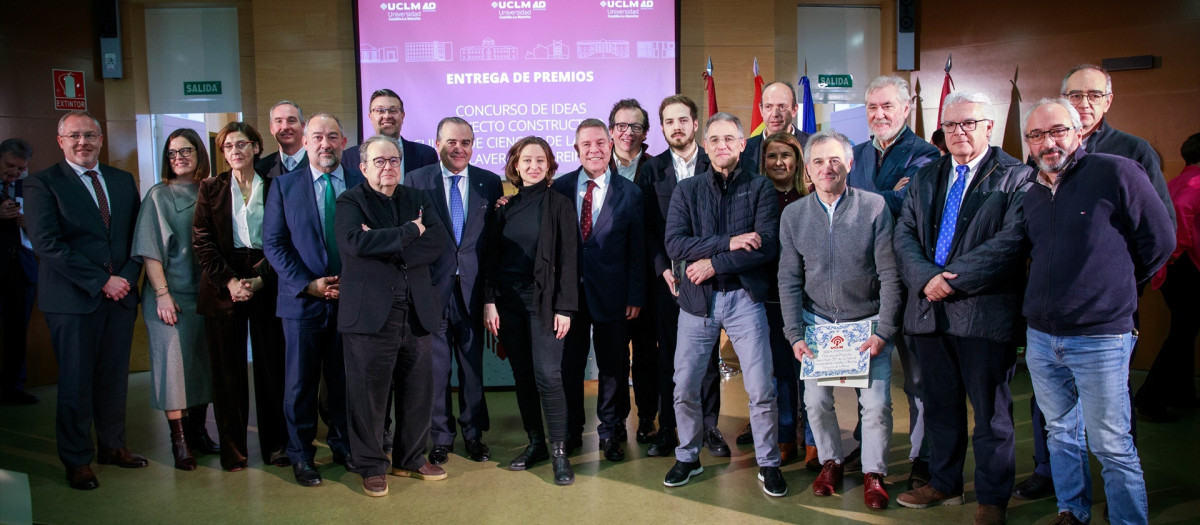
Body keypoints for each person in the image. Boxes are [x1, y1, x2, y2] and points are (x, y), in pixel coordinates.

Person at [1015, 64, 1178, 500]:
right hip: (1044, 336)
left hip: (1102, 333)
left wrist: (1115, 284)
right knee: (1061, 433)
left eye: (1058, 132)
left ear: (1077, 132)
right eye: (1036, 136)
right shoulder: (1031, 190)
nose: (1048, 142)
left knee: (1111, 441)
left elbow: (1160, 239)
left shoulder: (1122, 165)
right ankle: (1072, 509)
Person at [892, 92, 1032, 525]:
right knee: (939, 407)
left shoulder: (1016, 178)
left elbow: (1009, 245)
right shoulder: (926, 176)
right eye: (951, 125)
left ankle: (992, 497)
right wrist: (925, 280)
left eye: (969, 123)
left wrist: (947, 281)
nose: (959, 132)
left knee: (991, 415)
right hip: (929, 315)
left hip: (983, 316)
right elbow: (905, 235)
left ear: (989, 126)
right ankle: (944, 482)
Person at [663, 112, 786, 497]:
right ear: (706, 143)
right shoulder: (687, 190)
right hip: (697, 301)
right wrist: (729, 242)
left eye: (729, 139)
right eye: (714, 139)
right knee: (685, 385)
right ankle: (688, 456)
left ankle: (769, 462)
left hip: (744, 298)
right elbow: (675, 245)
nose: (721, 146)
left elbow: (765, 245)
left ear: (742, 144)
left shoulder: (762, 188)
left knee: (762, 386)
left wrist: (714, 262)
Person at [24, 110, 147, 490]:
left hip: (120, 298)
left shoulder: (122, 180)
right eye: (74, 135)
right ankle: (77, 459)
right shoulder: (42, 184)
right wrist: (101, 282)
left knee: (113, 380)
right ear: (61, 141)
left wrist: (125, 278)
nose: (83, 142)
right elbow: (47, 245)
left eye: (90, 135)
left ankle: (113, 446)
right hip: (73, 301)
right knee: (76, 383)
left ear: (101, 139)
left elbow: (137, 238)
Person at [779, 130, 901, 509]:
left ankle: (873, 473)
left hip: (867, 325)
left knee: (877, 405)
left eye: (835, 160)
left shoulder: (875, 207)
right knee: (815, 402)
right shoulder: (793, 215)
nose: (826, 168)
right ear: (808, 171)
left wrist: (884, 331)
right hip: (818, 327)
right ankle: (830, 462)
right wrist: (795, 334)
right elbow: (788, 278)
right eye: (817, 161)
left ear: (850, 164)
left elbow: (890, 275)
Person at [336, 135, 449, 497]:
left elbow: (438, 242)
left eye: (394, 160)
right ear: (363, 166)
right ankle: (371, 465)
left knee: (418, 391)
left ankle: (411, 458)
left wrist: (389, 244)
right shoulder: (350, 200)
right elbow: (355, 244)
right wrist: (408, 232)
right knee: (368, 396)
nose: (389, 167)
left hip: (415, 311)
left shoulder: (417, 198)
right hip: (370, 316)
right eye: (380, 161)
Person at [845, 75, 942, 488]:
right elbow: (847, 201)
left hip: (910, 279)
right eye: (872, 107)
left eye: (887, 106)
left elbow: (907, 202)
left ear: (906, 108)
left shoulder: (927, 155)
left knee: (918, 377)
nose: (879, 114)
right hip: (865, 281)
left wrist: (864, 199)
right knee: (861, 373)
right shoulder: (856, 153)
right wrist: (889, 195)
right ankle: (866, 445)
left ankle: (923, 456)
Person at [264, 113, 364, 487]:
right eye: (318, 137)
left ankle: (343, 445)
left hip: (351, 302)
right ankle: (302, 455)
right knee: (300, 384)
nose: (326, 144)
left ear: (343, 142)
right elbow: (274, 243)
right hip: (302, 302)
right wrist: (309, 284)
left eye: (333, 137)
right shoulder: (283, 186)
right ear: (305, 142)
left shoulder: (360, 182)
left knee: (344, 381)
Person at [192, 121, 290, 471]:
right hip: (223, 282)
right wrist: (231, 282)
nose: (235, 150)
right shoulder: (210, 187)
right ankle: (233, 451)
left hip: (268, 276)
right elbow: (202, 242)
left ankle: (277, 447)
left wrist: (260, 280)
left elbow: (284, 238)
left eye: (242, 144)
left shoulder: (276, 186)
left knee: (271, 369)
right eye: (228, 146)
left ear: (256, 148)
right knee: (227, 373)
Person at [481, 136, 578, 485]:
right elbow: (491, 258)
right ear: (516, 166)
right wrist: (489, 301)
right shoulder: (503, 207)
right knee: (522, 376)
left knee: (548, 376)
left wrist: (565, 307)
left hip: (546, 303)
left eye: (540, 160)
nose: (533, 166)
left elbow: (569, 259)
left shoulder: (560, 204)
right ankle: (535, 442)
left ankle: (559, 452)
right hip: (507, 304)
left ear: (550, 165)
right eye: (526, 160)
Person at [406, 117, 501, 465]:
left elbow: (491, 245)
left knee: (473, 368)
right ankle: (441, 437)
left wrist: (491, 297)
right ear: (437, 144)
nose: (459, 148)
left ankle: (474, 434)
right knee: (436, 368)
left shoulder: (489, 183)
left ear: (473, 145)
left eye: (465, 142)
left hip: (474, 293)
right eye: (451, 142)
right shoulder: (417, 181)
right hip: (432, 291)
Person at [637, 95, 726, 459]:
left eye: (682, 120)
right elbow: (647, 228)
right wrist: (662, 268)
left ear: (694, 124)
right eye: (669, 121)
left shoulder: (714, 163)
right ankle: (668, 428)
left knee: (705, 358)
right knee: (668, 357)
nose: (676, 127)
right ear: (662, 128)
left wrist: (710, 262)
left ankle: (709, 427)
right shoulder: (651, 169)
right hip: (667, 282)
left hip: (708, 276)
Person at [552, 119, 645, 461]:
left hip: (615, 297)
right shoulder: (558, 189)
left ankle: (610, 432)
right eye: (586, 144)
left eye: (600, 143)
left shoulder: (631, 194)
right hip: (568, 300)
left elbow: (638, 249)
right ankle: (572, 429)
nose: (594, 150)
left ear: (610, 147)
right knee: (569, 368)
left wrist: (635, 295)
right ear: (576, 150)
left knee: (613, 368)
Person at [131, 128, 216, 471]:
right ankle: (179, 442)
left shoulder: (212, 190)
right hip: (169, 297)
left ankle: (199, 434)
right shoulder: (158, 195)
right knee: (174, 371)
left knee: (202, 367)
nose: (178, 158)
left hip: (206, 296)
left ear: (199, 154)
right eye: (172, 153)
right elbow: (150, 252)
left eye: (185, 151)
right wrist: (163, 296)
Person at [737, 131, 813, 466]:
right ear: (762, 162)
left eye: (786, 155)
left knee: (810, 372)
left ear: (797, 161)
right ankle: (785, 437)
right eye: (772, 156)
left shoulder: (810, 197)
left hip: (809, 298)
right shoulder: (754, 196)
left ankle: (813, 441)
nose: (779, 162)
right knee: (781, 372)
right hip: (768, 298)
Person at [1137, 132, 1200, 420]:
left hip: (1174, 268)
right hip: (1186, 267)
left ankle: (1182, 393)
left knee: (1184, 331)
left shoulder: (1176, 180)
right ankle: (1150, 398)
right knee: (1183, 332)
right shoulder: (1195, 182)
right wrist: (1179, 249)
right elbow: (1183, 210)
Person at [608, 99, 660, 443]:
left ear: (646, 133)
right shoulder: (593, 168)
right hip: (607, 281)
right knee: (612, 359)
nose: (629, 133)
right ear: (611, 131)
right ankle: (613, 422)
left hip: (649, 281)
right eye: (622, 126)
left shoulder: (658, 169)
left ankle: (646, 418)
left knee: (645, 356)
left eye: (636, 127)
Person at [0, 138, 38, 405]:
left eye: (20, 168)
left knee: (17, 331)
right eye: (9, 166)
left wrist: (30, 223)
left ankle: (14, 386)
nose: (14, 173)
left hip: (22, 268)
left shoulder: (30, 187)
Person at [343, 89, 438, 178]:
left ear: (402, 116)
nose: (387, 116)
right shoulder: (350, 157)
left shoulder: (426, 155)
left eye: (393, 110)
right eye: (380, 110)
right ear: (370, 117)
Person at [738, 81, 811, 176]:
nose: (775, 114)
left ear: (794, 110)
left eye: (782, 107)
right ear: (761, 110)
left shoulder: (813, 146)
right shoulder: (743, 150)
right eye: (768, 107)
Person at [256, 100, 308, 179]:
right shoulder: (261, 168)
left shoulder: (319, 162)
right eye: (279, 121)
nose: (285, 127)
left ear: (303, 126)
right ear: (271, 128)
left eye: (291, 121)